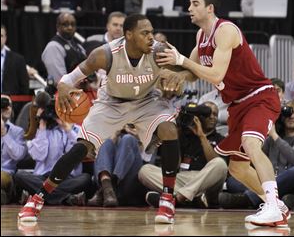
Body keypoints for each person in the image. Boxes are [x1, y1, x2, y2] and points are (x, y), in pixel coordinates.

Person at [18, 14, 191, 224]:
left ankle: (167, 200)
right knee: (81, 148)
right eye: (145, 33)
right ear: (128, 35)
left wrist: (180, 76)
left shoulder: (159, 51)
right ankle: (38, 199)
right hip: (112, 103)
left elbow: (190, 72)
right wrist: (63, 87)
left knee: (169, 129)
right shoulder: (104, 55)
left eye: (152, 33)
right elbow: (68, 79)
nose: (150, 38)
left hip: (147, 101)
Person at [155, 0, 290, 227]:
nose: (189, 8)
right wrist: (168, 71)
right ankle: (278, 206)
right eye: (189, 4)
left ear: (210, 8)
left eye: (195, 3)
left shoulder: (225, 30)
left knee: (250, 144)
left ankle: (272, 207)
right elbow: (192, 74)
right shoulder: (200, 37)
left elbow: (216, 75)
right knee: (237, 168)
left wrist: (182, 61)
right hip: (238, 104)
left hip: (259, 97)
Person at [139, 101, 227, 209]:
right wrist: (177, 133)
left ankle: (177, 198)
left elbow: (215, 164)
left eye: (215, 114)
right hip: (182, 179)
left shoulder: (220, 139)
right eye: (208, 114)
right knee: (145, 170)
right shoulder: (185, 134)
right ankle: (191, 199)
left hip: (205, 180)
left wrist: (202, 136)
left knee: (220, 164)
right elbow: (173, 166)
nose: (212, 117)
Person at [219, 98, 294, 211]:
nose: (291, 116)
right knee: (233, 180)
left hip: (287, 182)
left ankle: (249, 199)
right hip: (268, 182)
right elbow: (256, 159)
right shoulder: (270, 139)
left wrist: (275, 136)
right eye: (289, 112)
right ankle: (278, 201)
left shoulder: (275, 137)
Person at [14, 104, 92, 206]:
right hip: (43, 177)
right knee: (19, 175)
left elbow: (78, 153)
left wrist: (68, 130)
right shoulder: (41, 131)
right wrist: (42, 124)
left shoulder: (78, 130)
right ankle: (66, 198)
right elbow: (38, 156)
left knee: (85, 178)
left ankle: (40, 196)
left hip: (67, 177)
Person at [89, 123, 147, 207]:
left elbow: (148, 160)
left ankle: (108, 187)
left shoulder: (148, 127)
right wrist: (114, 135)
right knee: (105, 142)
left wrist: (139, 138)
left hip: (131, 183)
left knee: (128, 139)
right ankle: (107, 188)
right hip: (107, 185)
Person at [41, 12, 86, 85]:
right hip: (62, 93)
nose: (70, 27)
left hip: (81, 91)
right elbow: (60, 81)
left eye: (72, 24)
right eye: (65, 24)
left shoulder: (78, 46)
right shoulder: (53, 47)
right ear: (57, 26)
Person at [1, 95, 27, 204]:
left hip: (6, 174)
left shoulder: (17, 131)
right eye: (3, 104)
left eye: (9, 105)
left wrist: (4, 134)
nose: (7, 108)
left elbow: (19, 155)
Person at [1, 25, 29, 119]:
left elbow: (24, 87)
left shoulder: (18, 59)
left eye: (1, 36)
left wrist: (17, 108)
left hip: (11, 108)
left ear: (5, 38)